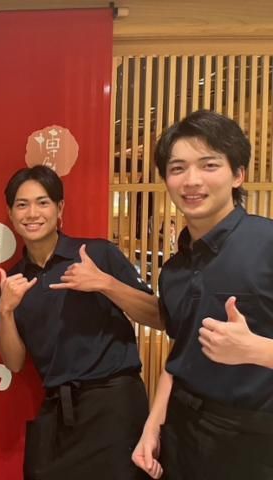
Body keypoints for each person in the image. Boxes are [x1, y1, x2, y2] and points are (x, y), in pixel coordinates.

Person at [132, 109, 273, 479]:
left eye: (209, 165)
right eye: (178, 168)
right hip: (181, 432)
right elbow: (180, 355)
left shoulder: (267, 243)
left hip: (255, 440)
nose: (191, 180)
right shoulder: (174, 271)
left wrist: (257, 350)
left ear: (238, 174)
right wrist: (153, 423)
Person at [0, 165, 161, 480]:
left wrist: (105, 283)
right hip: (58, 410)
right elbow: (14, 363)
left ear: (60, 208)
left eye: (43, 202)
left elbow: (158, 316)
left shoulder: (96, 254)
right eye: (22, 204)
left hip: (113, 407)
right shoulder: (14, 280)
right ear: (10, 213)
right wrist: (5, 310)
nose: (32, 213)